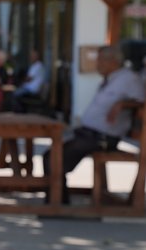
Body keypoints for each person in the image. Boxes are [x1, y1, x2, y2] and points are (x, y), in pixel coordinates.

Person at [43, 46, 144, 204]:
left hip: (102, 137)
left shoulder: (128, 78)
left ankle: (56, 203)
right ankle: (57, 199)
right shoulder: (111, 79)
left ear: (113, 61)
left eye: (100, 61)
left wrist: (123, 103)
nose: (97, 65)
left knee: (54, 158)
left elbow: (142, 101)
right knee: (53, 153)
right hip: (89, 133)